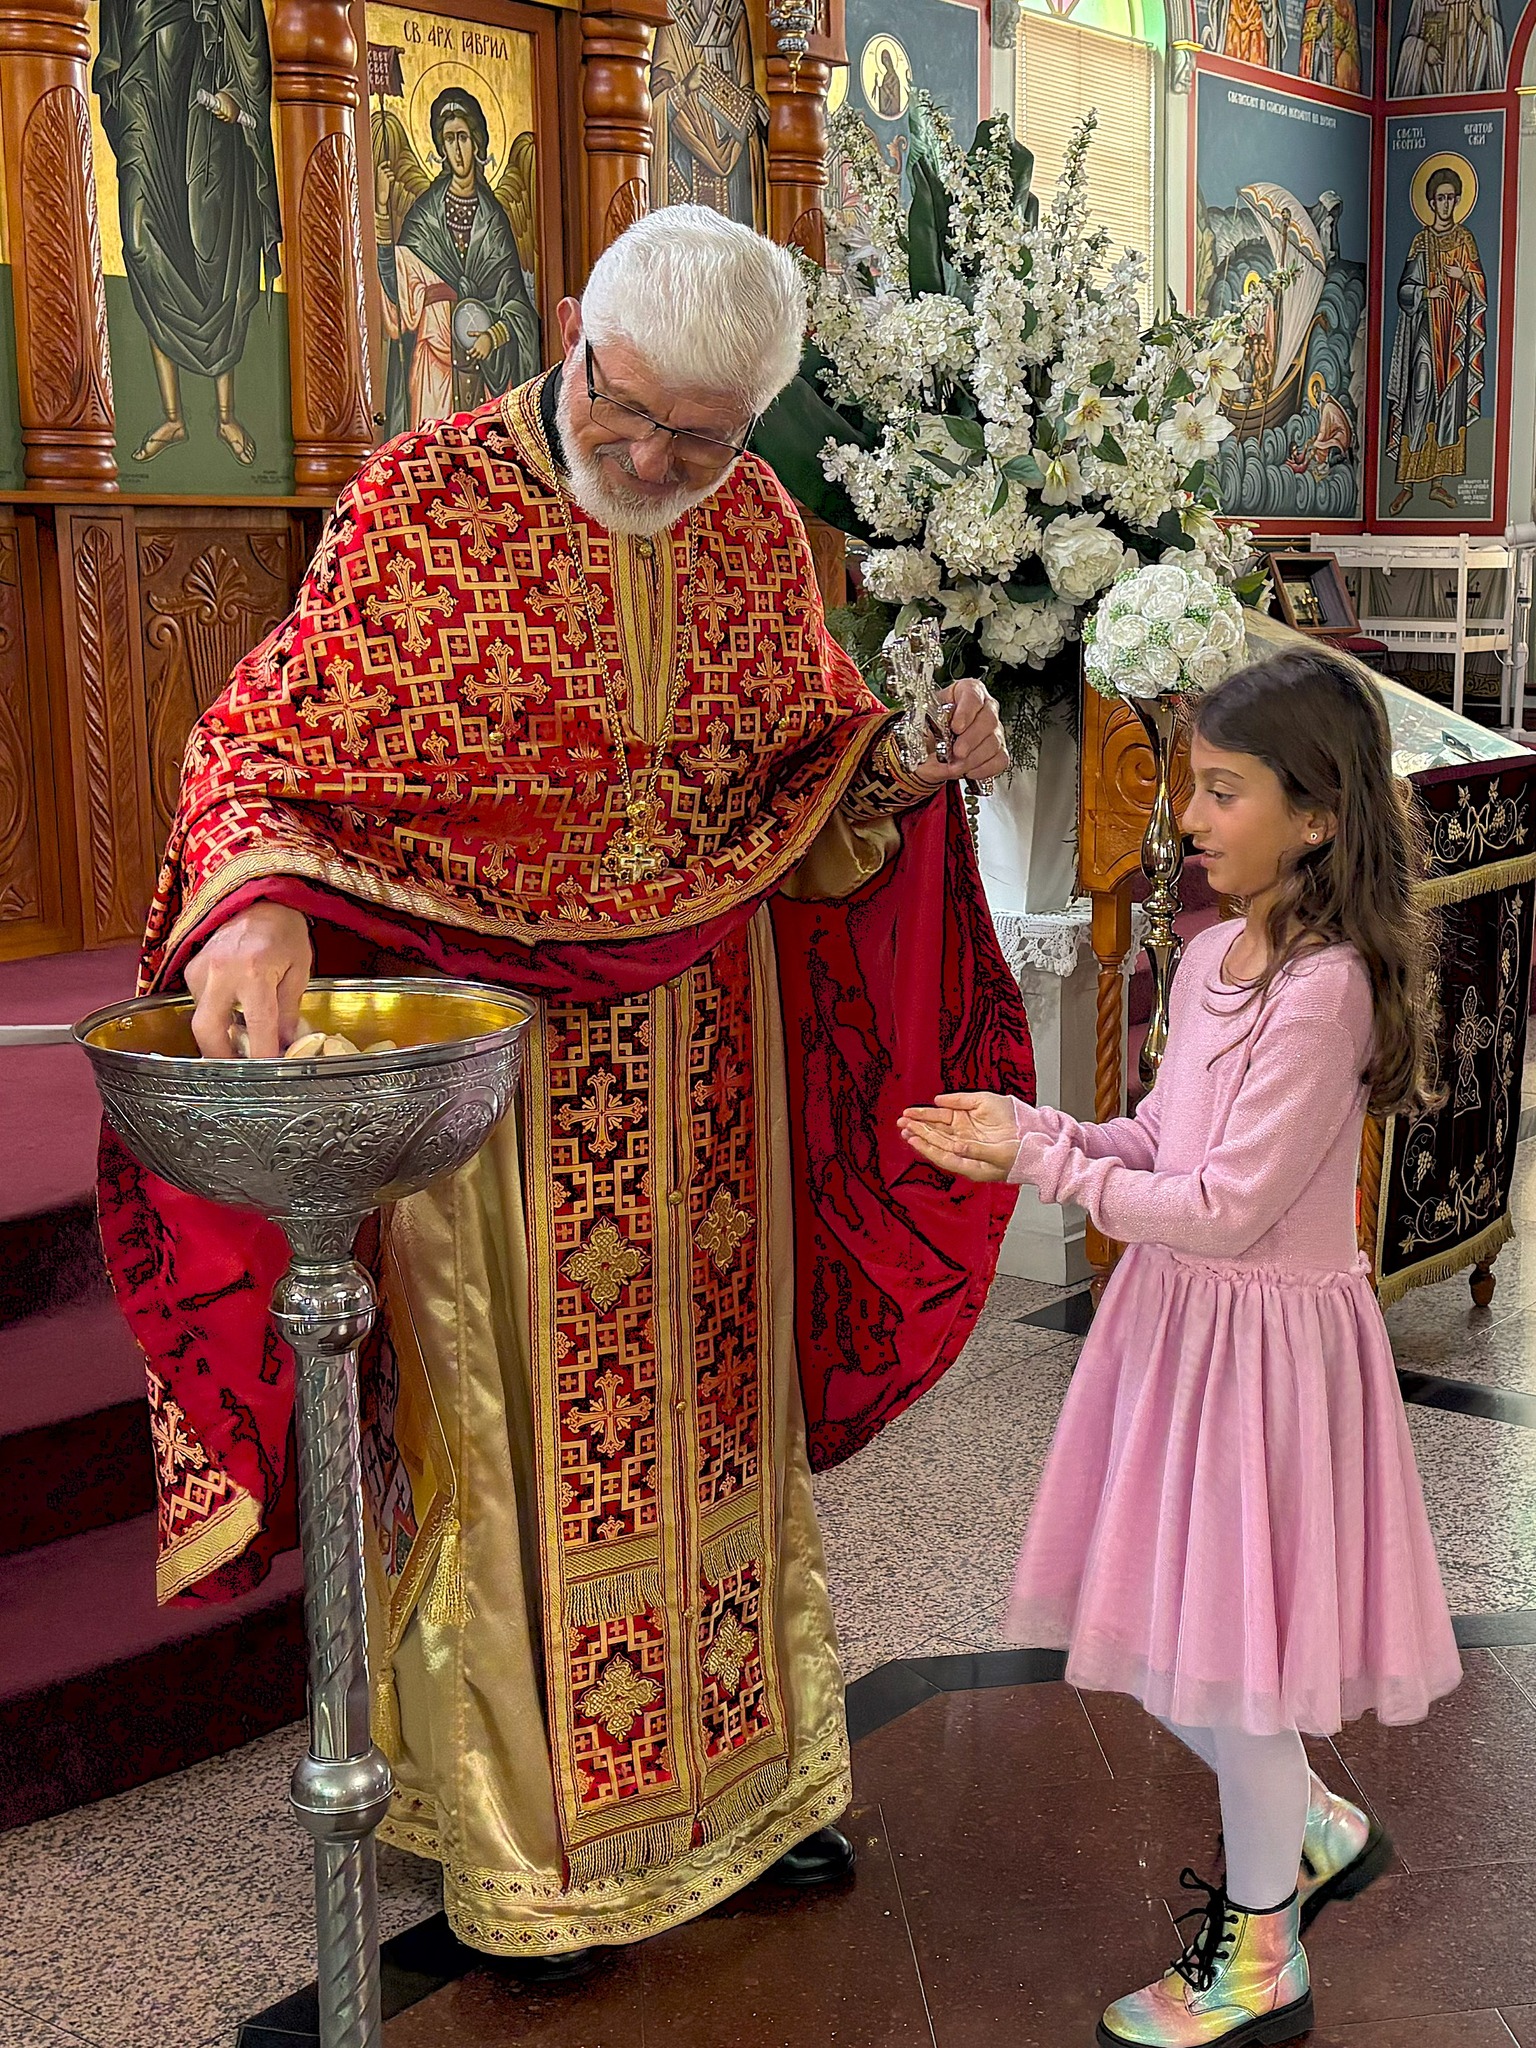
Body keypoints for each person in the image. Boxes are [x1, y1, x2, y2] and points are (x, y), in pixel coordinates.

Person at [100, 206, 1030, 1963]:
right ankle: (531, 1848)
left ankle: (742, 1792)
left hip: (713, 1070)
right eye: (631, 411)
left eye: (707, 436)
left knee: (714, 1433)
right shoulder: (421, 506)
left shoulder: (755, 524)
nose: (659, 462)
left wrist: (908, 759)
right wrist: (252, 904)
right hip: (500, 1087)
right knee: (518, 1458)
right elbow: (259, 753)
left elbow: (800, 793)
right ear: (566, 323)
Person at [900, 646, 1460, 2047]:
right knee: (1169, 1637)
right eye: (1189, 786)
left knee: (1232, 1664)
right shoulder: (1214, 953)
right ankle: (1309, 1821)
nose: (1189, 818)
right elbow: (1164, 1141)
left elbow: (1225, 1208)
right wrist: (1041, 1128)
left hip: (1261, 1358)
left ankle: (1263, 1960)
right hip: (1181, 1332)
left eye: (1223, 791)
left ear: (1318, 815)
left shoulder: (1324, 991)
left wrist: (1045, 1168)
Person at [92, 0, 282, 465]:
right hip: (144, 109)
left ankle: (225, 415)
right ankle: (172, 417)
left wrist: (236, 94)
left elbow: (250, 42)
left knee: (214, 251)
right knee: (142, 245)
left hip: (206, 113)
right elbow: (114, 39)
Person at [377, 88, 541, 431]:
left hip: (483, 368)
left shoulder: (494, 220)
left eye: (463, 137)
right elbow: (396, 283)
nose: (457, 149)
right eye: (449, 139)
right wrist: (380, 209)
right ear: (441, 147)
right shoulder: (424, 214)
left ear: (476, 142)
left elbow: (518, 305)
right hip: (433, 368)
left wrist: (494, 336)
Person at [1385, 165, 1487, 516]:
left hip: (1455, 337)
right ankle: (1406, 484)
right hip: (1427, 334)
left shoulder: (1465, 239)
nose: (1445, 203)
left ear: (1457, 201)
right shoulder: (1421, 241)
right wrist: (1426, 292)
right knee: (1419, 397)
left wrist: (1464, 277)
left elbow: (1480, 287)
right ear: (1430, 202)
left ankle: (1438, 483)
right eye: (1440, 198)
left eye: (1451, 198)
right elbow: (1404, 290)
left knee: (1449, 406)